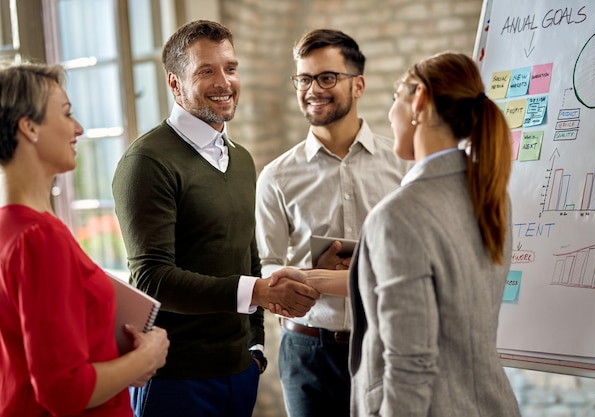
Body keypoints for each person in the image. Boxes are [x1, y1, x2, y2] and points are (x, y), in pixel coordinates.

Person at [271, 52, 521, 416]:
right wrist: (310, 277)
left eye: (394, 100)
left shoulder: (399, 215)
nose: (389, 115)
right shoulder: (491, 197)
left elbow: (410, 365)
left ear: (418, 100)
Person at [112, 20, 319, 417]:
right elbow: (152, 278)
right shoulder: (146, 162)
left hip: (239, 372)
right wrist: (258, 293)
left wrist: (254, 346)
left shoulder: (240, 159)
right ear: (174, 84)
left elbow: (248, 255)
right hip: (175, 380)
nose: (224, 81)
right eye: (206, 70)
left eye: (230, 67)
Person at [0, 62, 169, 417]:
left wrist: (120, 363)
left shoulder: (14, 229)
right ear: (29, 126)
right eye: (66, 113)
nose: (78, 128)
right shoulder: (39, 237)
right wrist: (145, 357)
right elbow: (62, 389)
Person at [255, 29, 410, 417]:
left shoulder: (403, 167)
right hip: (308, 353)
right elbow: (266, 263)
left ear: (358, 85)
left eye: (327, 77)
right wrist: (303, 276)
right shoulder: (276, 176)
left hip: (386, 343)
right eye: (304, 79)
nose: (313, 89)